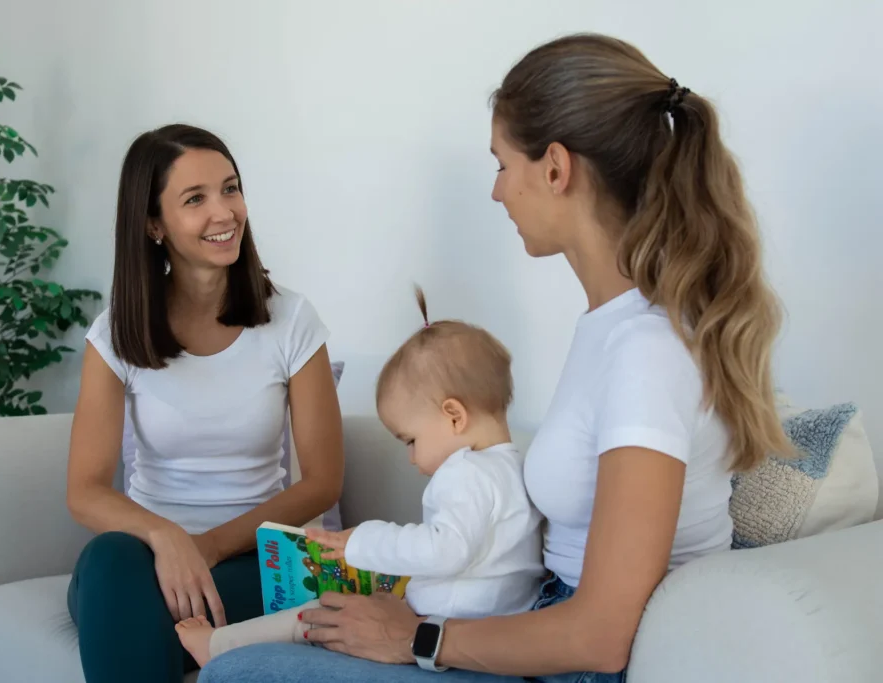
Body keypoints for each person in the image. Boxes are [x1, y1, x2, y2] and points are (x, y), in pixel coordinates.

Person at [199, 32, 788, 683]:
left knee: (243, 672)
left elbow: (601, 636)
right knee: (277, 650)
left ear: (555, 168)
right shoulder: (615, 328)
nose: (497, 192)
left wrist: (417, 636)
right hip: (542, 628)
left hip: (581, 668)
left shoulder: (646, 352)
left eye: (502, 165)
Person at [65, 124, 345, 683]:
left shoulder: (291, 320)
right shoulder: (116, 332)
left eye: (230, 189)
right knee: (109, 563)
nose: (224, 212)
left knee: (131, 617)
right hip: (145, 563)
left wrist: (208, 548)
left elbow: (322, 483)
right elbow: (85, 489)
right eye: (195, 199)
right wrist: (167, 537)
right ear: (154, 224)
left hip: (257, 562)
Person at [175, 288, 544, 666]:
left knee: (321, 614)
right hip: (486, 632)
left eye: (411, 440)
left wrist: (361, 541)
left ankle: (218, 647)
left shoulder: (465, 472)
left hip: (445, 627)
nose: (412, 458)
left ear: (454, 416)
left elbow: (445, 550)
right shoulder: (514, 470)